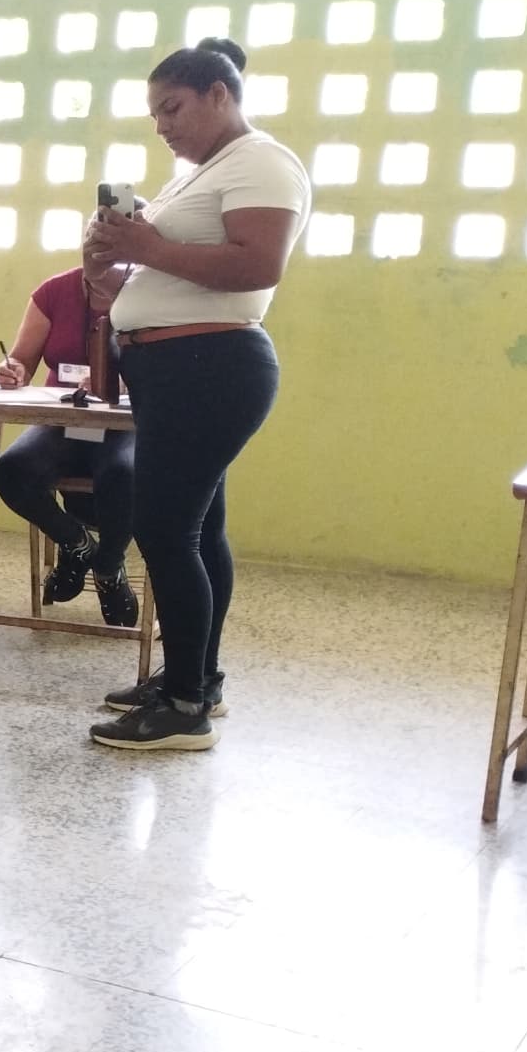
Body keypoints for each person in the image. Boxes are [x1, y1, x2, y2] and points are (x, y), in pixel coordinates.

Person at [83, 37, 310, 752]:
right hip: (176, 366)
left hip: (210, 366)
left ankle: (184, 707)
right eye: (154, 114)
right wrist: (114, 272)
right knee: (199, 530)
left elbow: (255, 263)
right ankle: (196, 675)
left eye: (172, 107)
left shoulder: (262, 161)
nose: (162, 124)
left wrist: (147, 249)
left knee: (164, 530)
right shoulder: (199, 174)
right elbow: (174, 274)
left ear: (221, 94)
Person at [0, 265, 139, 627]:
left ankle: (107, 566)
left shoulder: (153, 292)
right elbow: (23, 358)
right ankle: (76, 544)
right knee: (11, 471)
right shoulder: (54, 291)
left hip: (127, 423)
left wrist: (123, 379)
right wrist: (14, 370)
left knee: (127, 473)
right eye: (93, 242)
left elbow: (170, 367)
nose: (101, 253)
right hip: (65, 418)